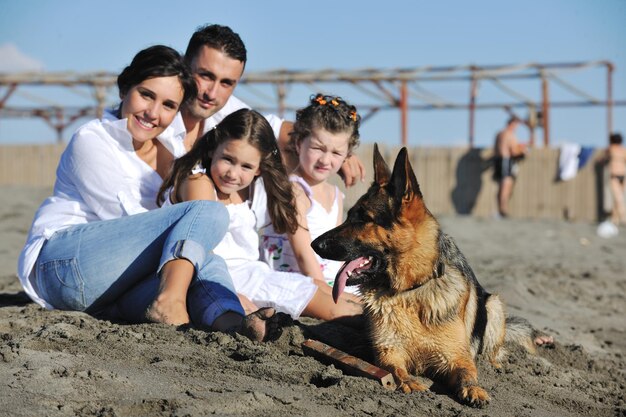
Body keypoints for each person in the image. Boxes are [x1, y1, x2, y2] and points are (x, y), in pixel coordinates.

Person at [17, 45, 275, 342]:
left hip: (113, 290)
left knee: (205, 263)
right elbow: (133, 219)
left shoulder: (173, 152)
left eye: (168, 105)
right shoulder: (93, 140)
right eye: (146, 95)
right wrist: (193, 240)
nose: (153, 113)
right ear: (125, 88)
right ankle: (170, 301)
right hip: (66, 267)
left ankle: (231, 323)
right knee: (208, 213)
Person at [157, 108, 362, 321]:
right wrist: (228, 293)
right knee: (334, 309)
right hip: (224, 278)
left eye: (246, 166)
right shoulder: (199, 183)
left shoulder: (252, 189)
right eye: (227, 159)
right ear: (212, 150)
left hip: (257, 274)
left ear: (258, 168)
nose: (233, 173)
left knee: (333, 293)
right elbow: (198, 245)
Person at [178, 23, 366, 187]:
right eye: (205, 75)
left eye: (226, 83)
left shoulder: (230, 114)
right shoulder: (154, 112)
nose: (212, 93)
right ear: (185, 65)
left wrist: (335, 148)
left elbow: (278, 130)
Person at [258, 94, 361, 297]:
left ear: (347, 156)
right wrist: (331, 295)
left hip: (328, 279)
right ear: (298, 144)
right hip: (298, 281)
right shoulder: (295, 191)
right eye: (317, 148)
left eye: (336, 153)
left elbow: (336, 249)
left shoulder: (336, 195)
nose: (325, 159)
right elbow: (303, 256)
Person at [493, 116, 527, 217]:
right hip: (506, 161)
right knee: (506, 186)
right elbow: (513, 151)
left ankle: (500, 209)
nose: (516, 127)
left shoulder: (499, 134)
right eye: (516, 125)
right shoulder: (510, 134)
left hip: (498, 160)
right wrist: (523, 151)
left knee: (501, 186)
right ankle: (503, 209)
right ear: (512, 124)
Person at [606, 132, 626, 225]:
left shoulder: (611, 149)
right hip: (622, 174)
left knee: (618, 198)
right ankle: (617, 219)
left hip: (615, 175)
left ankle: (620, 218)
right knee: (618, 198)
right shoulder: (623, 150)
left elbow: (605, 157)